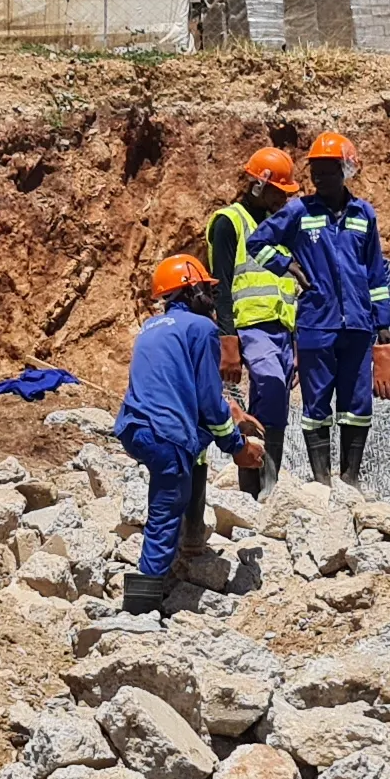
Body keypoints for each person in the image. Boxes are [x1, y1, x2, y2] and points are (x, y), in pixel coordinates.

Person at [243, 131, 390, 484]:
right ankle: (322, 480)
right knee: (316, 407)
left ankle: (350, 478)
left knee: (357, 406)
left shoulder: (364, 214)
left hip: (359, 326)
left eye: (329, 170)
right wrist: (289, 266)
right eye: (315, 170)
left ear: (347, 170)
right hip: (317, 324)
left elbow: (376, 273)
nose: (320, 177)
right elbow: (258, 242)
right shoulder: (299, 211)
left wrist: (384, 325)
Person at [115, 255, 264, 615]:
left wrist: (229, 414)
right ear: (191, 290)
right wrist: (238, 447)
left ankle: (188, 544)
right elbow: (209, 405)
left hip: (134, 428)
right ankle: (141, 607)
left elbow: (179, 386)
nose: (211, 298)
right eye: (206, 290)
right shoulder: (201, 329)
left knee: (173, 484)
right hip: (167, 434)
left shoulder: (151, 327)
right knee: (166, 512)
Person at [202, 147, 307, 498]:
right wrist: (227, 339)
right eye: (279, 190)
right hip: (250, 326)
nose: (283, 198)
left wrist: (295, 344)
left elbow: (291, 287)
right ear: (260, 186)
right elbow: (221, 285)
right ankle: (253, 480)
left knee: (275, 401)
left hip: (282, 329)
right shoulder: (229, 222)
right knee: (271, 384)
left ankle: (266, 485)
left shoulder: (282, 227)